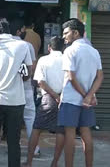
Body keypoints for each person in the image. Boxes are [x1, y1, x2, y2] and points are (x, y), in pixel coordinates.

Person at [0, 18, 32, 167]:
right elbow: (28, 73)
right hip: (15, 100)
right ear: (8, 30)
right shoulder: (22, 46)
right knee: (14, 140)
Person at [59, 19, 103, 167]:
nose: (63, 36)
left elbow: (71, 77)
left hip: (71, 99)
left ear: (75, 33)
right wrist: (90, 96)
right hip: (87, 101)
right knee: (86, 134)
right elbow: (100, 76)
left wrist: (85, 95)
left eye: (66, 33)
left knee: (70, 136)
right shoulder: (94, 51)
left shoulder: (70, 51)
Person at [22, 36, 64, 167]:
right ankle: (55, 163)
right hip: (64, 99)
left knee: (37, 129)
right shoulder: (67, 60)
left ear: (49, 47)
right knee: (61, 131)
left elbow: (40, 82)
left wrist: (54, 96)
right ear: (63, 47)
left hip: (48, 99)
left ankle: (29, 162)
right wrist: (59, 96)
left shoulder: (44, 60)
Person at [9, 19, 40, 156]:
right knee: (30, 118)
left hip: (8, 88)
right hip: (26, 87)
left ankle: (12, 148)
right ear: (19, 30)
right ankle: (35, 149)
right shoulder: (27, 46)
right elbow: (32, 67)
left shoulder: (3, 45)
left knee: (10, 120)